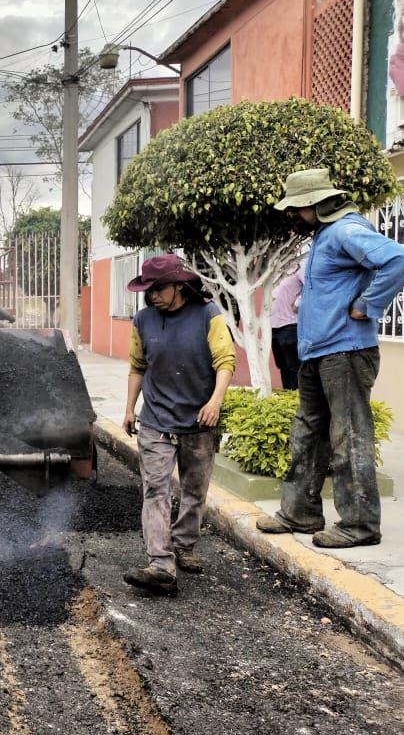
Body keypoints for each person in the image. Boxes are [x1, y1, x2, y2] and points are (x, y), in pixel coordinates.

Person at [257, 168, 404, 548]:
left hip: (346, 351)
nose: (294, 215)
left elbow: (397, 259)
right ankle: (300, 512)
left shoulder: (345, 230)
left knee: (348, 435)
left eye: (297, 208)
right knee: (308, 432)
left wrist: (368, 305)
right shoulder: (326, 235)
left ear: (314, 204)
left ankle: (359, 525)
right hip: (320, 351)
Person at [122, 255, 236, 596]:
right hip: (156, 419)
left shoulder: (207, 315)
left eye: (158, 288)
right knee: (156, 488)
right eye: (148, 290)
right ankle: (160, 564)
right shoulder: (143, 320)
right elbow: (137, 365)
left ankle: (185, 543)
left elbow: (225, 360)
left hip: (199, 419)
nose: (152, 296)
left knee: (195, 490)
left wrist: (214, 402)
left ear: (179, 285)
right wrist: (129, 408)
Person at [271, 260, 305, 390]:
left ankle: (297, 401)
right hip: (273, 326)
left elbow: (311, 286)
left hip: (290, 325)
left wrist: (298, 303)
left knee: (295, 368)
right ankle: (286, 400)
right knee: (282, 367)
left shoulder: (299, 265)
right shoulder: (274, 266)